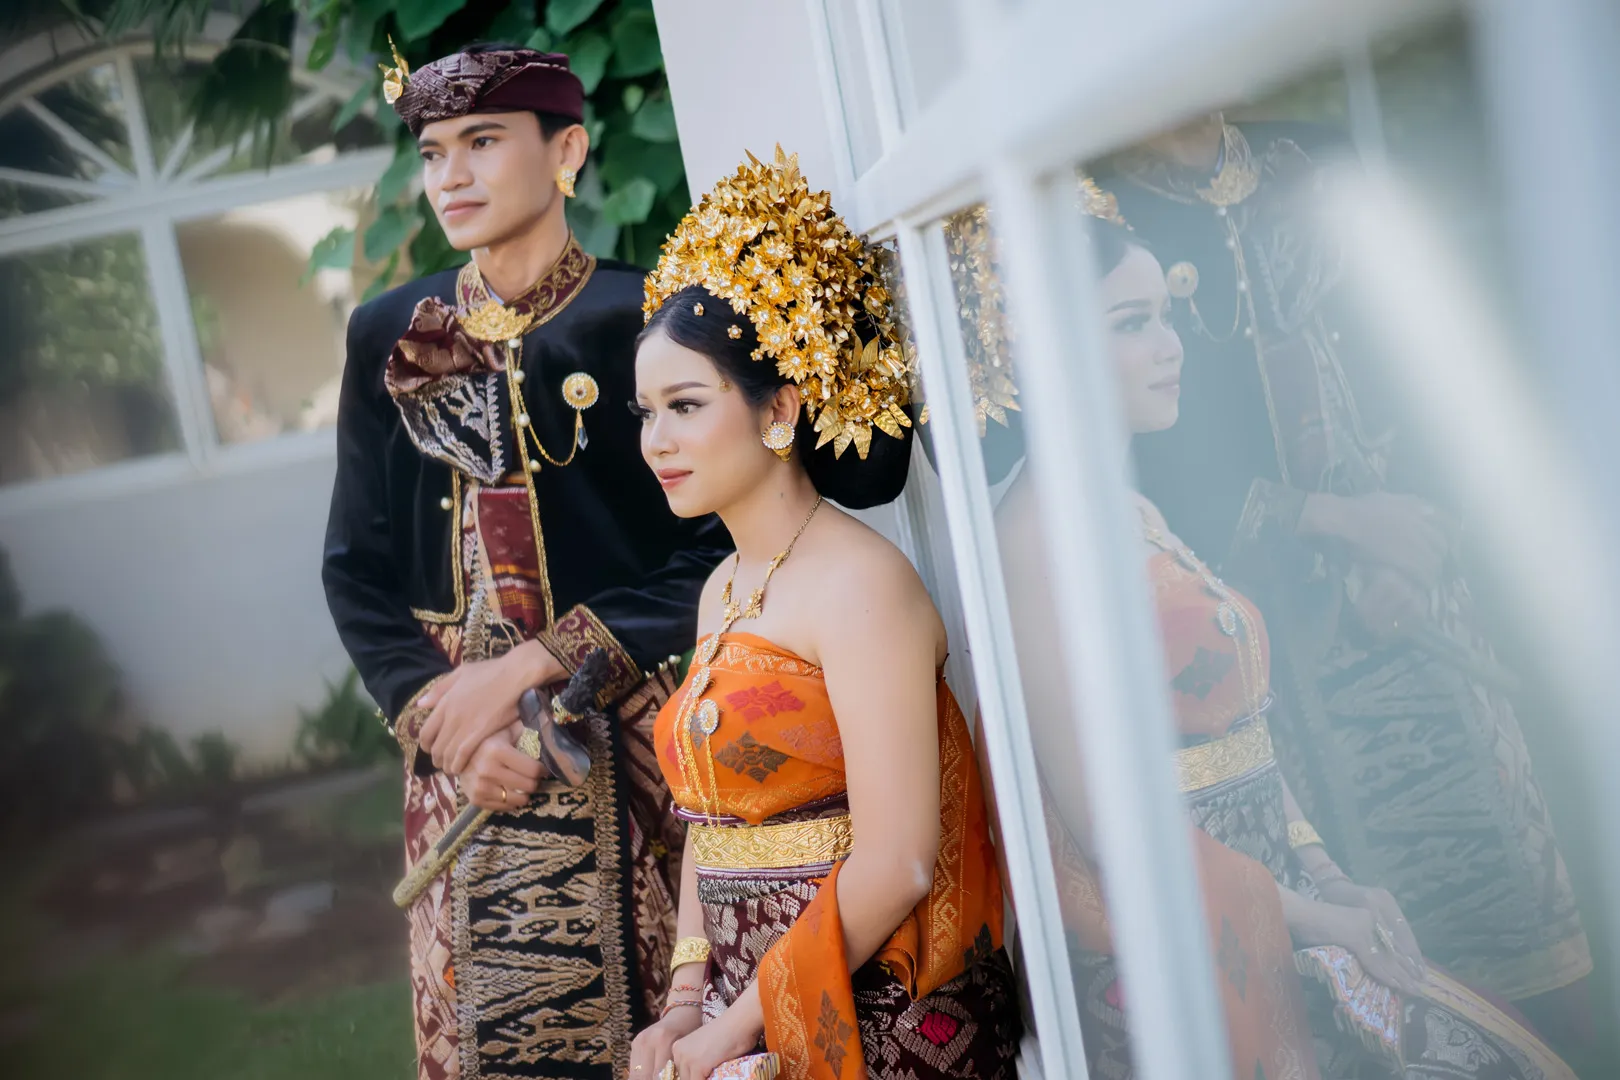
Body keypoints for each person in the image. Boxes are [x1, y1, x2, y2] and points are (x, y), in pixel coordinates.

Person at [994, 217, 1577, 1080]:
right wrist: (1317, 919)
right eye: (1132, 323)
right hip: (1186, 950)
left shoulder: (1133, 510)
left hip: (1275, 906)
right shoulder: (1035, 536)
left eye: (1166, 316)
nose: (1170, 345)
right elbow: (1109, 832)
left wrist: (1329, 876)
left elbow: (1248, 735)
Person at [321, 43, 730, 1080]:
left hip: (632, 754)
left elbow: (722, 545)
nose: (450, 176)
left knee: (667, 1036)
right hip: (466, 767)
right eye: (432, 153)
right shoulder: (387, 332)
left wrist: (531, 667)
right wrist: (442, 716)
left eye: (482, 143)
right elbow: (355, 570)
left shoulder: (648, 318)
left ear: (569, 153)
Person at [624, 149, 1021, 1080]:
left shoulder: (861, 587)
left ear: (781, 410)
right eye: (645, 413)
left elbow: (898, 864)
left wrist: (730, 1033)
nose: (656, 442)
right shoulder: (724, 586)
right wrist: (684, 1003)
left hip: (877, 1016)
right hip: (742, 1010)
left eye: (685, 406)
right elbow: (710, 820)